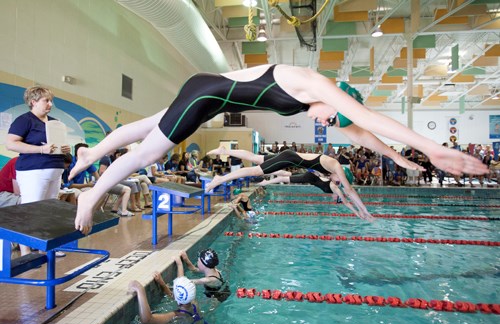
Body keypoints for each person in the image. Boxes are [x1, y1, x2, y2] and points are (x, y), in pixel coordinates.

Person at [69, 64, 488, 234]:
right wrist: (431, 147)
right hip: (206, 96)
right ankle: (92, 194)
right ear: (338, 97)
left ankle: (90, 154)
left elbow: (361, 131)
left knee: (146, 126)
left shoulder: (314, 99)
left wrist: (398, 156)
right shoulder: (313, 83)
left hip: (208, 95)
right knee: (148, 153)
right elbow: (367, 118)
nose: (324, 122)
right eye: (332, 117)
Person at [207, 150, 374, 221]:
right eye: (339, 181)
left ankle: (225, 150)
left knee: (256, 158)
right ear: (343, 174)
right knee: (256, 170)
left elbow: (346, 194)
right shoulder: (336, 166)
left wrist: (359, 211)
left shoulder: (330, 169)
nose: (337, 182)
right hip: (289, 158)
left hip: (288, 157)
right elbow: (350, 191)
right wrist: (364, 211)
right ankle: (220, 179)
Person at [6, 86, 71, 256]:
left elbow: (57, 144)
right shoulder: (24, 120)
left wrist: (64, 148)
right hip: (33, 171)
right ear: (33, 102)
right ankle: (26, 250)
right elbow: (11, 143)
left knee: (49, 210)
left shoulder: (54, 122)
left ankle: (47, 246)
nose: (50, 104)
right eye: (46, 101)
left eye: (51, 100)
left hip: (54, 171)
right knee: (31, 210)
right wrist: (41, 150)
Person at [129, 258, 212, 324]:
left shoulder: (178, 316)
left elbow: (147, 320)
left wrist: (140, 289)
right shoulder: (193, 302)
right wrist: (162, 283)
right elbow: (180, 291)